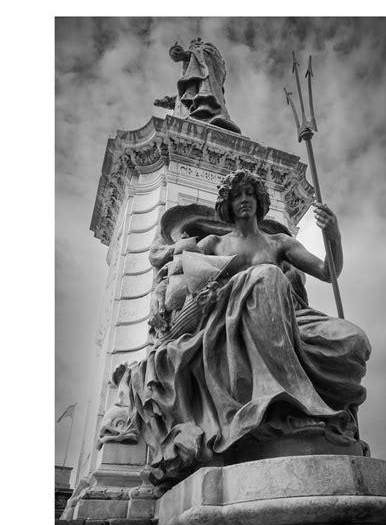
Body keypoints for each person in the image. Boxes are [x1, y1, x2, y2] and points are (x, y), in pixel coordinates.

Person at [126, 170, 371, 489]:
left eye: (249, 194)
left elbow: (328, 272)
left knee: (353, 339)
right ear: (227, 204)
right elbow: (179, 293)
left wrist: (333, 235)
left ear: (259, 201)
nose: (244, 200)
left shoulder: (279, 242)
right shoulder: (213, 243)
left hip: (286, 316)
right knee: (267, 277)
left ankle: (297, 399)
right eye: (237, 195)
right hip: (228, 319)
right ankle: (291, 405)